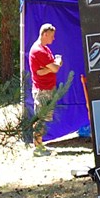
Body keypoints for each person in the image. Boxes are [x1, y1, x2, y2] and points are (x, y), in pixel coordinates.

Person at [27, 23, 61, 155]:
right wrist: (54, 65)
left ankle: (40, 145)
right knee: (40, 119)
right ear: (45, 34)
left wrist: (49, 68)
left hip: (47, 88)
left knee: (43, 119)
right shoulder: (39, 51)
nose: (54, 38)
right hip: (42, 89)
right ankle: (37, 148)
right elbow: (55, 67)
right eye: (52, 36)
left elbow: (53, 67)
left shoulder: (45, 49)